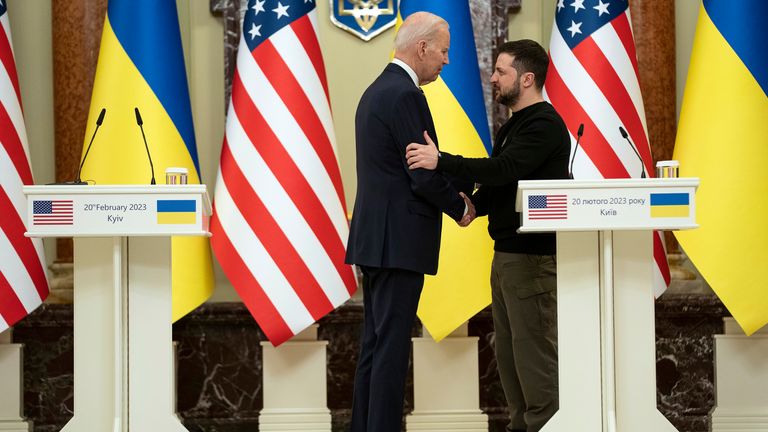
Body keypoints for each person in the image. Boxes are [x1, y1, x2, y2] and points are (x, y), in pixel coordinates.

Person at [405, 39, 570, 432]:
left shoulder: (544, 123)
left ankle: (545, 426)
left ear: (527, 78)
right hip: (510, 256)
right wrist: (474, 207)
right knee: (513, 359)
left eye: (501, 71)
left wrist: (441, 162)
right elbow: (506, 184)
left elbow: (505, 168)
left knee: (534, 359)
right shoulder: (517, 123)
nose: (493, 78)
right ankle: (521, 425)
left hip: (533, 259)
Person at [344, 11, 475, 432]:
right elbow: (421, 173)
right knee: (391, 348)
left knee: (375, 345)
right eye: (443, 50)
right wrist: (461, 207)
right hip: (398, 242)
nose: (446, 60)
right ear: (422, 48)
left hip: (376, 239)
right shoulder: (406, 96)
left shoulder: (375, 90)